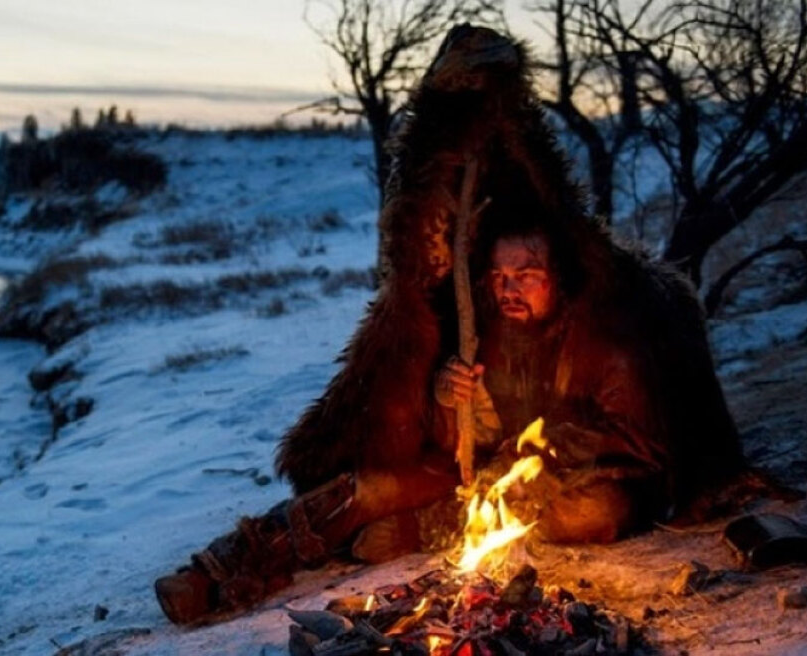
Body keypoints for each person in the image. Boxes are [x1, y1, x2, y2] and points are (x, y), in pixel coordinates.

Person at [154, 24, 743, 626]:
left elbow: (639, 443)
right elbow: (454, 438)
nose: (511, 286)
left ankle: (422, 529)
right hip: (473, 480)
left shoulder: (605, 335)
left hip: (563, 487)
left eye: (529, 272)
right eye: (501, 274)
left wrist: (530, 458)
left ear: (557, 275)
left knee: (597, 512)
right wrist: (447, 397)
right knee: (365, 490)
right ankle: (223, 569)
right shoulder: (484, 322)